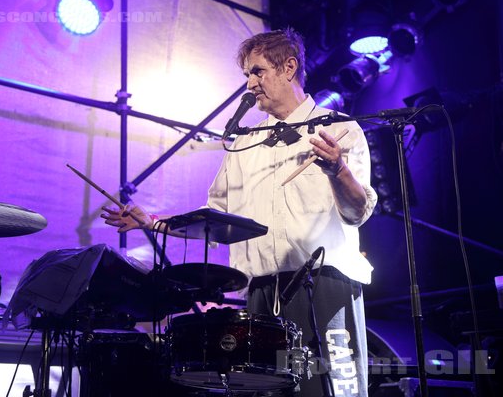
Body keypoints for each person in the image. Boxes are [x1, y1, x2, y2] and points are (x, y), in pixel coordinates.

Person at [101, 28, 377, 397]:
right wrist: (153, 223)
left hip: (324, 282)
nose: (249, 84)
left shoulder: (339, 128)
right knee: (270, 391)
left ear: (289, 67)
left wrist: (336, 169)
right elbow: (214, 218)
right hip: (262, 291)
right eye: (246, 74)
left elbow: (358, 211)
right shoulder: (245, 144)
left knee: (333, 389)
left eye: (257, 71)